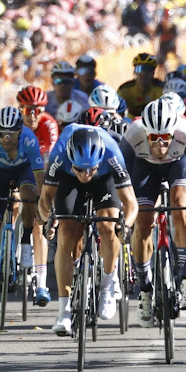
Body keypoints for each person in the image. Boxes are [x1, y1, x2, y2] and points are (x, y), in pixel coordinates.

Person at [39, 125, 138, 335]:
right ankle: (64, 312)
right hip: (68, 180)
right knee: (67, 233)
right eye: (80, 169)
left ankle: (107, 287)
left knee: (107, 225)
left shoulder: (112, 153)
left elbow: (131, 203)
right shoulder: (60, 154)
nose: (85, 175)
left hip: (104, 181)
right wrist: (49, 219)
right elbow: (45, 198)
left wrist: (126, 225)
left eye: (89, 169)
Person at [120, 99, 186, 324]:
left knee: (181, 206)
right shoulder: (132, 135)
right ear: (146, 132)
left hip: (178, 166)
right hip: (144, 169)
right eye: (154, 138)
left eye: (165, 138)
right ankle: (145, 289)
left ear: (174, 131)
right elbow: (119, 182)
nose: (160, 145)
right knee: (142, 222)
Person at [0, 107, 45, 314]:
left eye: (10, 133)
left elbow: (40, 179)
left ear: (19, 132)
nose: (5, 138)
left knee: (29, 194)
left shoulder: (29, 141)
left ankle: (26, 243)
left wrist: (40, 203)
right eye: (1, 132)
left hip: (24, 171)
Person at [17, 86, 59, 306]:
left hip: (40, 168)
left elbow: (48, 165)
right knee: (14, 203)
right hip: (16, 167)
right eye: (28, 110)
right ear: (20, 109)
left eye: (38, 110)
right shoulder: (13, 124)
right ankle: (12, 250)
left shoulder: (49, 124)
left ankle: (42, 284)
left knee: (38, 223)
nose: (33, 115)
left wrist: (45, 200)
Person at [116, 53, 164, 119]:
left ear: (153, 72)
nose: (143, 73)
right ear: (134, 72)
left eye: (147, 69)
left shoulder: (161, 89)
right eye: (139, 69)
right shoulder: (124, 90)